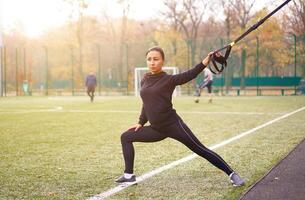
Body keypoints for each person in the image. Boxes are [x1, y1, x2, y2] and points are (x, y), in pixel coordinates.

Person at [116, 46, 245, 187]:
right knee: (126, 137)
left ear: (162, 61)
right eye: (149, 59)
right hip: (156, 129)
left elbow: (190, 74)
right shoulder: (145, 80)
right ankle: (129, 175)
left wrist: (206, 61)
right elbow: (146, 103)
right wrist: (141, 122)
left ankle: (232, 174)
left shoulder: (169, 79)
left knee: (200, 149)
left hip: (173, 125)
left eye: (156, 59)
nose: (152, 62)